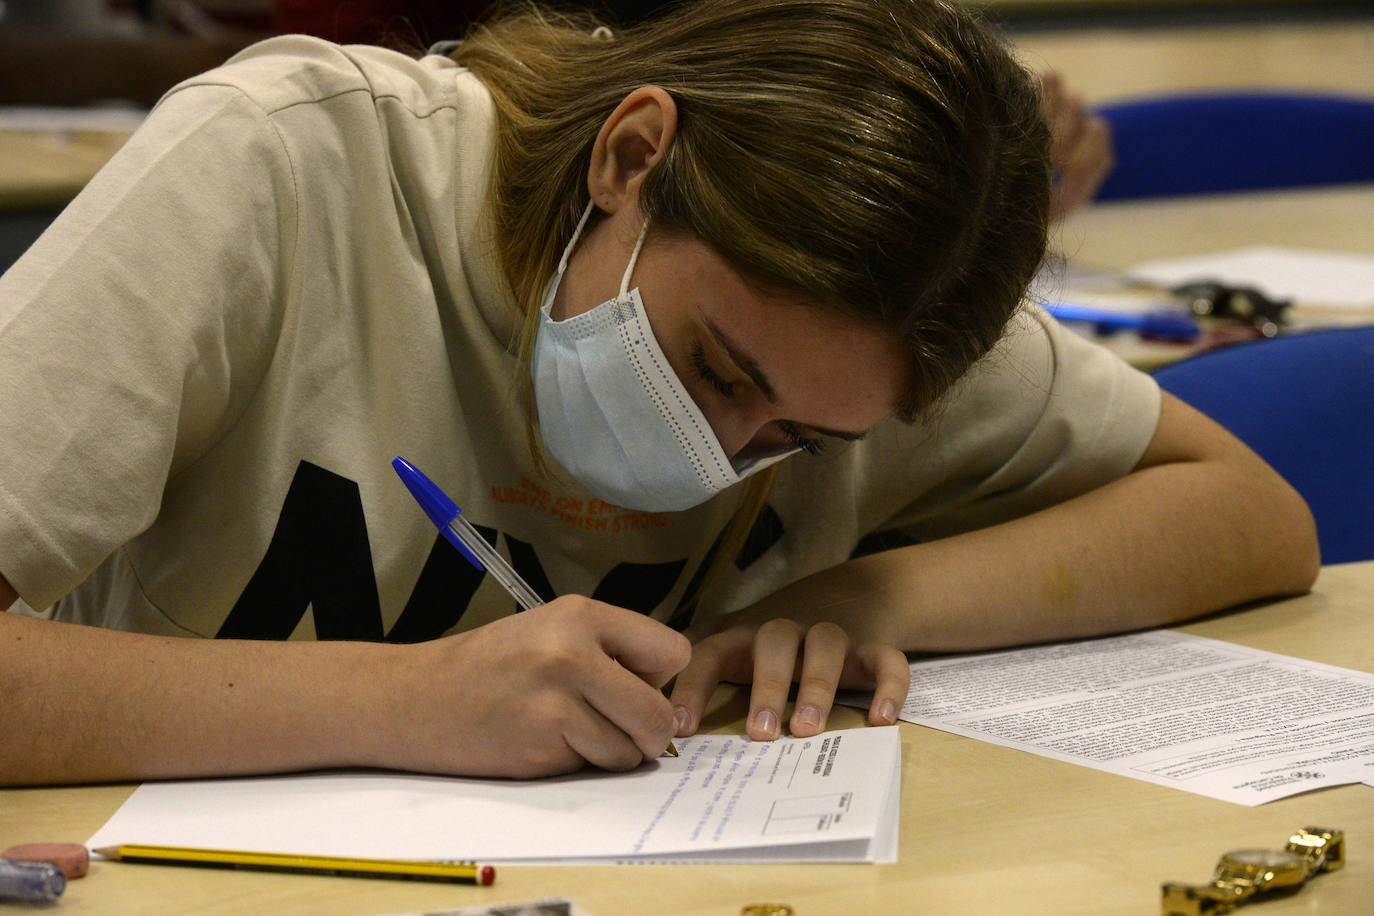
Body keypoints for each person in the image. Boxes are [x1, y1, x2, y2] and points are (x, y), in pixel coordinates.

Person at [0, 0, 1317, 786]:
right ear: (629, 157)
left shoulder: (874, 331)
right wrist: (408, 702)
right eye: (716, 371)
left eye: (797, 440)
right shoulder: (288, 168)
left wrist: (859, 598)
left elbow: (1247, 515)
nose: (717, 452)